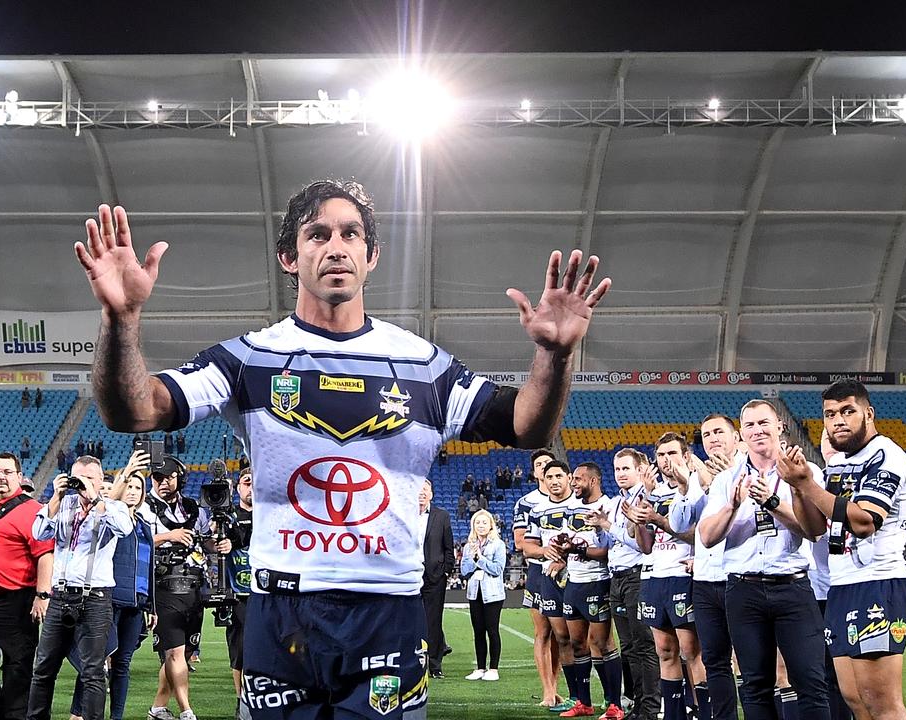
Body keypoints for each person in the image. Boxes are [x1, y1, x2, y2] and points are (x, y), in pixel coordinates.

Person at [74, 179, 609, 719]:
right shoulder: (252, 359)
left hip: (388, 609)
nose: (336, 246)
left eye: (351, 234)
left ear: (371, 255)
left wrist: (555, 356)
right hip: (281, 609)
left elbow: (526, 428)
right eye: (317, 234)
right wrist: (120, 321)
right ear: (290, 255)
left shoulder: (425, 367)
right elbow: (134, 411)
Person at [782, 380, 906, 720]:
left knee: (881, 702)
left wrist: (808, 484)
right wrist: (799, 490)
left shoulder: (886, 455)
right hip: (841, 587)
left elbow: (864, 521)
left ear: (868, 413)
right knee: (855, 700)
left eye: (847, 411)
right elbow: (814, 529)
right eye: (830, 414)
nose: (838, 420)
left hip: (878, 584)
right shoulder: (839, 463)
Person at [698, 399, 829, 720]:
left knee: (810, 683)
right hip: (744, 591)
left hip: (793, 589)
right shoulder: (727, 480)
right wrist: (731, 506)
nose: (758, 430)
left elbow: (814, 530)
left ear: (779, 426)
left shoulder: (805, 471)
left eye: (764, 423)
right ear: (742, 434)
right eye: (751, 425)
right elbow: (706, 536)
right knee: (755, 685)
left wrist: (781, 497)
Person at [27, 455, 135, 720]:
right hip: (60, 596)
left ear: (100, 481)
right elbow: (39, 533)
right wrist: (54, 498)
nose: (82, 482)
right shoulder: (62, 505)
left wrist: (96, 500)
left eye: (89, 477)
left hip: (95, 599)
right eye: (78, 476)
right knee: (43, 669)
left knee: (93, 672)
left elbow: (124, 529)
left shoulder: (112, 507)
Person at [0, 453, 56, 720]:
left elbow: (45, 554)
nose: (0, 477)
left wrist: (42, 594)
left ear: (18, 476)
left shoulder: (32, 509)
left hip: (18, 599)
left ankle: (16, 714)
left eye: (6, 471)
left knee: (17, 663)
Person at [667, 414, 743, 720]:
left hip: (741, 578)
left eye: (718, 432)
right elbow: (680, 523)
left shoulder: (751, 468)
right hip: (706, 578)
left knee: (752, 661)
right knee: (714, 660)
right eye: (706, 434)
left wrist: (730, 479)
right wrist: (687, 485)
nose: (712, 438)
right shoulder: (700, 476)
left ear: (736, 437)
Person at [69, 458, 156, 720]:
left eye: (138, 488)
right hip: (108, 600)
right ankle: (78, 714)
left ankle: (116, 716)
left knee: (122, 665)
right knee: (96, 661)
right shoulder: (109, 519)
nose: (132, 491)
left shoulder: (142, 526)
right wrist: (122, 478)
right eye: (129, 486)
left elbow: (147, 566)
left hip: (135, 603)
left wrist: (150, 604)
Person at [631, 433, 706, 720]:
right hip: (655, 578)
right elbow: (646, 547)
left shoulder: (698, 490)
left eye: (672, 453)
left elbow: (701, 537)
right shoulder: (655, 493)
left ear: (686, 456)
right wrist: (640, 518)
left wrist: (659, 520)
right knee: (664, 650)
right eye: (661, 455)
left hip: (683, 575)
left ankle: (703, 711)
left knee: (691, 651)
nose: (666, 460)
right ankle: (675, 713)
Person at [142, 456, 210, 720]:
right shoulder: (145, 507)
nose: (162, 483)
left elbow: (205, 543)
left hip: (193, 587)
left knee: (185, 651)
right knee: (174, 651)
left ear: (180, 479)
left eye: (168, 477)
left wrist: (219, 543)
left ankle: (158, 709)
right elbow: (136, 539)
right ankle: (187, 712)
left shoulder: (194, 509)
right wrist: (169, 536)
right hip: (162, 585)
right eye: (157, 478)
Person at [598, 448, 660, 720]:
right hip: (617, 578)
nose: (620, 474)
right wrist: (599, 527)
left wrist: (609, 527)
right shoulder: (615, 502)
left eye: (626, 468)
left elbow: (639, 544)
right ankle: (637, 704)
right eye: (617, 469)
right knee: (630, 646)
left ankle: (651, 707)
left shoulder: (645, 498)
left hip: (637, 576)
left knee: (644, 644)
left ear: (639, 469)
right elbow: (608, 545)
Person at [558, 462, 623, 720]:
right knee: (577, 643)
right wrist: (561, 544)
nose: (573, 483)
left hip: (597, 582)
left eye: (578, 479)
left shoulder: (608, 507)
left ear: (593, 481)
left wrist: (579, 550)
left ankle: (614, 703)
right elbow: (568, 538)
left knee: (602, 643)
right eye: (573, 479)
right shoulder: (572, 508)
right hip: (573, 582)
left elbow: (610, 551)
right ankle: (584, 702)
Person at [520, 460, 579, 714]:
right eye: (549, 475)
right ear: (539, 476)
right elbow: (526, 545)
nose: (554, 480)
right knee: (556, 635)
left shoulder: (581, 504)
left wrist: (565, 557)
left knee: (584, 638)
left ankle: (584, 696)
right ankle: (556, 692)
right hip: (546, 577)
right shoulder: (532, 506)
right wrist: (545, 552)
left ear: (569, 477)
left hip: (581, 576)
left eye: (558, 475)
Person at [215, 465, 255, 718]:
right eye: (247, 482)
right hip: (238, 594)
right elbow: (213, 542)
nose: (251, 487)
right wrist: (221, 540)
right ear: (238, 487)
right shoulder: (227, 517)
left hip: (268, 594)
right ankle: (241, 702)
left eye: (255, 482)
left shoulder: (272, 515)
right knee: (239, 652)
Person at [461, 509, 506, 682]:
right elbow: (464, 570)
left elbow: (497, 569)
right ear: (473, 525)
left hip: (493, 594)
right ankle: (480, 668)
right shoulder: (468, 546)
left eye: (484, 523)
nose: (481, 526)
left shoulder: (498, 544)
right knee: (478, 631)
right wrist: (473, 558)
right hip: (474, 593)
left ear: (490, 526)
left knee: (492, 630)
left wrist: (479, 559)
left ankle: (493, 668)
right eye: (477, 523)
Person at [419, 479, 454, 679]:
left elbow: (449, 547)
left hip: (434, 577)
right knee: (409, 620)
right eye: (418, 489)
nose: (422, 493)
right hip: (409, 576)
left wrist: (445, 570)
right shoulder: (405, 514)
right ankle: (411, 661)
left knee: (433, 621)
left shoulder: (442, 516)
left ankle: (434, 664)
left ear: (431, 493)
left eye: (425, 489)